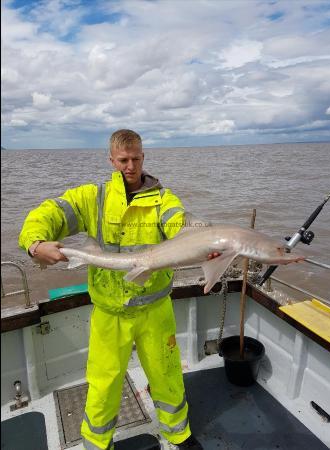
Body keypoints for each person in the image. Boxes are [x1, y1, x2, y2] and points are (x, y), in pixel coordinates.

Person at [19, 129, 208, 450]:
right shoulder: (93, 197)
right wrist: (34, 243)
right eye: (123, 160)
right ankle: (96, 443)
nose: (130, 166)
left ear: (144, 158)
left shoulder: (164, 200)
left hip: (154, 310)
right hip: (109, 312)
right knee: (104, 382)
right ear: (112, 160)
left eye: (135, 159)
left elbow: (181, 222)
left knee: (167, 374)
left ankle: (179, 434)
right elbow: (48, 212)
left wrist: (204, 237)